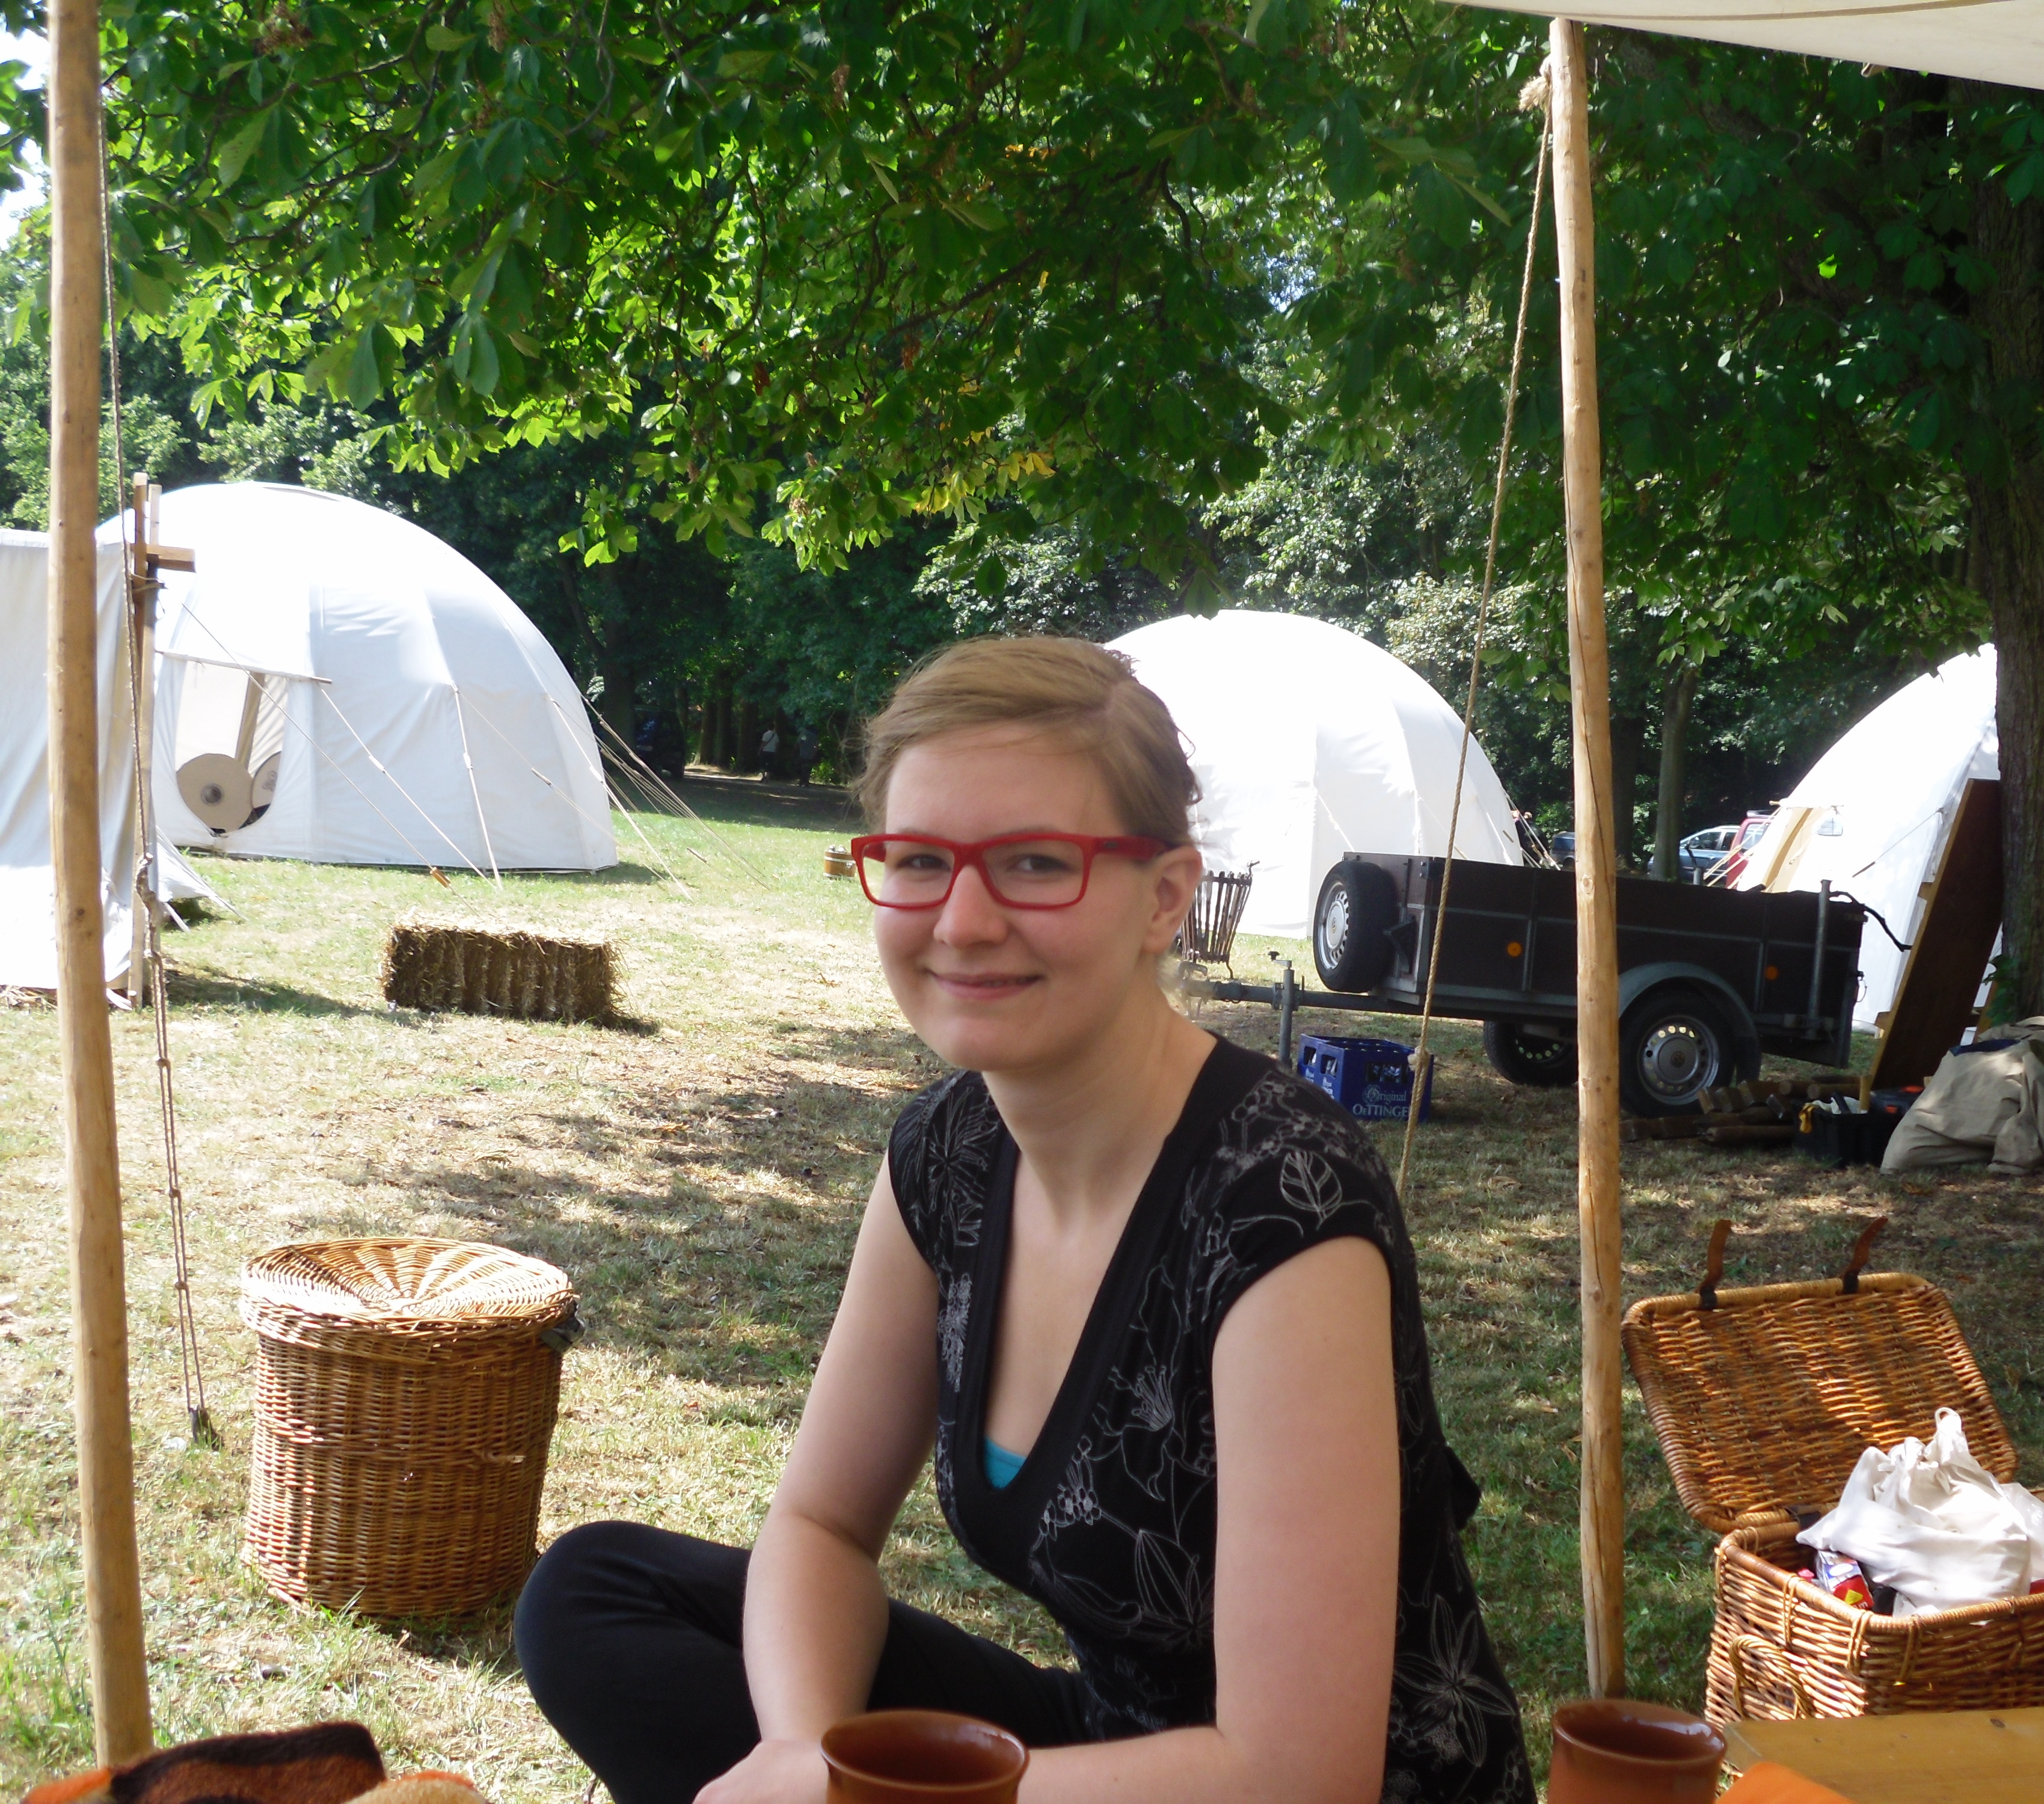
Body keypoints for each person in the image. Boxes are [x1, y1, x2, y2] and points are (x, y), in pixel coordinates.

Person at [515, 638, 1532, 1804]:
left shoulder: (1281, 1205)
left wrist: (870, 1801)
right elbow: (821, 1525)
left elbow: (1297, 1775)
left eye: (1035, 864)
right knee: (598, 1594)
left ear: (1165, 897)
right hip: (1112, 1745)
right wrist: (803, 1754)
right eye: (919, 861)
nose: (962, 921)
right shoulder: (948, 1155)